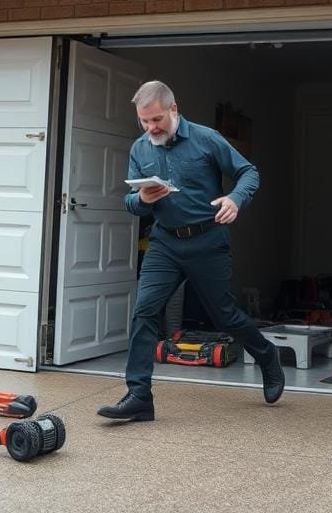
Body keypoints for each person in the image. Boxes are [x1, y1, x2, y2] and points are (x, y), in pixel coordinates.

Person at [97, 80, 285, 422]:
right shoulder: (140, 149)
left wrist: (235, 199)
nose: (150, 128)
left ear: (174, 109)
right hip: (165, 243)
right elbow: (130, 203)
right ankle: (139, 396)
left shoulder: (206, 139)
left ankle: (267, 356)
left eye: (157, 120)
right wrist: (141, 199)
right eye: (144, 121)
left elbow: (248, 172)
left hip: (207, 241)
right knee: (144, 311)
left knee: (223, 315)